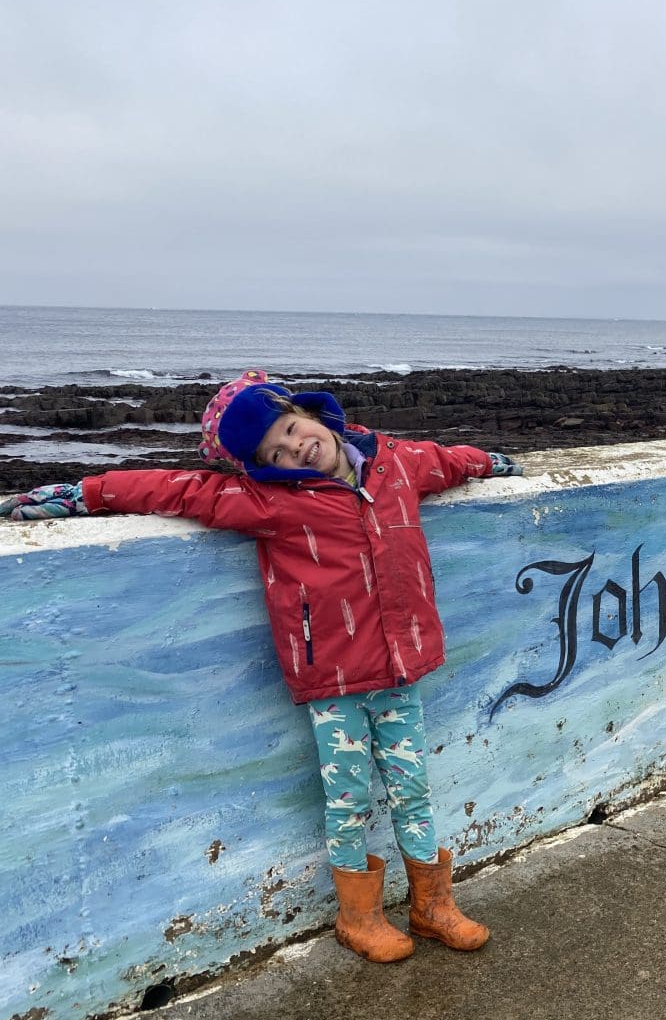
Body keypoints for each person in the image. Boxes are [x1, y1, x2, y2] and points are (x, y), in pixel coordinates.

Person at [0, 369, 522, 963]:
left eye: (292, 429)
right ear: (262, 465)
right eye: (275, 450)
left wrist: (490, 462)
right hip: (335, 680)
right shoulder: (269, 501)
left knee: (413, 792)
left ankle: (433, 907)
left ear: (316, 416)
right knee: (348, 799)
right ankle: (359, 918)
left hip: (401, 671)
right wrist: (85, 494)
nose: (295, 447)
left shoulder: (396, 463)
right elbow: (175, 489)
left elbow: (445, 461)